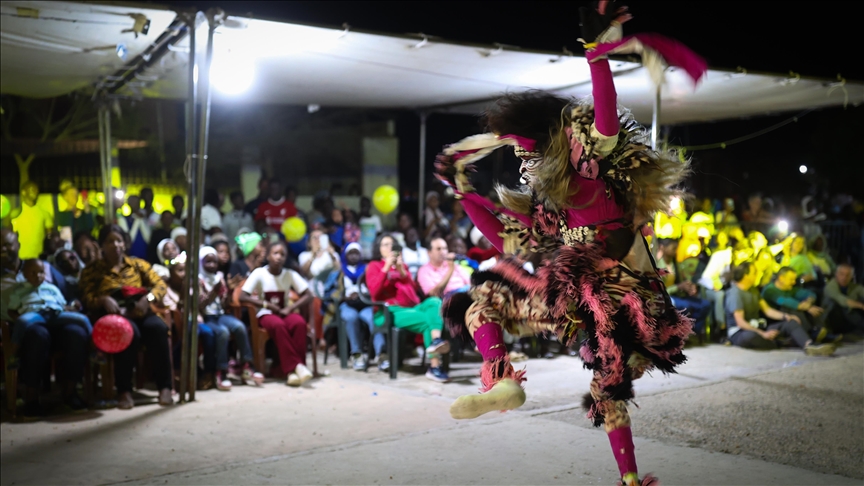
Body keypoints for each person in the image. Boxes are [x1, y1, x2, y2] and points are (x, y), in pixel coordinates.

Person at [434, 5, 707, 483]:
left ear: (546, 143)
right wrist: (464, 192)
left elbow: (603, 121)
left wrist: (597, 57)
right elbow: (503, 238)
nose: (520, 162)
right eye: (516, 154)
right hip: (573, 293)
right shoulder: (551, 208)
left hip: (627, 298)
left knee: (611, 384)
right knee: (481, 299)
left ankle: (628, 479)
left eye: (524, 150)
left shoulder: (586, 182)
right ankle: (502, 382)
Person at [79, 224, 173, 409]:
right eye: (110, 241)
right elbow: (86, 297)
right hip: (114, 317)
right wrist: (103, 300)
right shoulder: (92, 270)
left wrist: (148, 298)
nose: (115, 245)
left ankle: (165, 387)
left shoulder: (138, 265)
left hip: (140, 310)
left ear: (125, 244)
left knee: (158, 328)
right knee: (129, 334)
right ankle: (124, 391)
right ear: (102, 246)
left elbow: (159, 286)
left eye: (119, 240)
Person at [7, 259, 91, 416]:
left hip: (56, 315)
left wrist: (72, 308)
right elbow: (12, 310)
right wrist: (19, 318)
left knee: (79, 326)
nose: (38, 276)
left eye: (41, 272)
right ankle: (30, 394)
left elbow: (63, 304)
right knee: (32, 331)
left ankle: (71, 392)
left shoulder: (51, 288)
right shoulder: (19, 290)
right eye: (33, 273)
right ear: (24, 274)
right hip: (35, 318)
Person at [365, 234, 450, 381]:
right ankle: (435, 366)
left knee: (435, 302)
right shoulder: (374, 266)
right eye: (385, 245)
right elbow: (374, 293)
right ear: (378, 249)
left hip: (410, 308)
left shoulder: (402, 266)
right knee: (427, 321)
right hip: (387, 312)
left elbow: (413, 297)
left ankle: (436, 341)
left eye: (392, 244)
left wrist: (401, 271)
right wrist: (385, 268)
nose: (389, 247)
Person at [239, 241, 314, 386]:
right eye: (275, 253)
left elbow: (308, 294)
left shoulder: (289, 274)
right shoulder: (259, 273)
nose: (279, 257)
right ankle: (296, 367)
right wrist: (266, 304)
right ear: (268, 256)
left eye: (282, 254)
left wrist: (291, 308)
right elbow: (243, 296)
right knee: (278, 325)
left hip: (284, 311)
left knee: (299, 323)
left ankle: (289, 371)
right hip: (265, 313)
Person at [726, 262, 835, 356]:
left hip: (757, 328)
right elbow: (740, 323)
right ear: (746, 275)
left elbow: (768, 310)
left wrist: (786, 316)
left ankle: (809, 345)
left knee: (791, 322)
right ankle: (781, 343)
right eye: (754, 272)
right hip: (740, 332)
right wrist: (762, 334)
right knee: (750, 336)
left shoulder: (753, 290)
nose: (757, 275)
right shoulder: (735, 293)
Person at [199, 247, 264, 389]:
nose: (212, 265)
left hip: (220, 314)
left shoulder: (219, 278)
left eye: (214, 262)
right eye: (207, 261)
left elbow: (224, 303)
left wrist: (228, 290)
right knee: (223, 332)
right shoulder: (197, 280)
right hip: (206, 318)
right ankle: (221, 371)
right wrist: (213, 293)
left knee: (239, 326)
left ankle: (247, 365)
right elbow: (199, 306)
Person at [161, 252, 218, 390]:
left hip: (196, 321)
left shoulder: (193, 285)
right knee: (190, 333)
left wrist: (212, 293)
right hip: (176, 324)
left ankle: (208, 373)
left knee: (208, 333)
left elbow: (200, 306)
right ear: (171, 272)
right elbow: (175, 310)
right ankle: (179, 369)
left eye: (185, 270)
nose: (183, 274)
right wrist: (182, 293)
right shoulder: (165, 288)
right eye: (180, 270)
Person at [762, 266, 840, 342]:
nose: (794, 282)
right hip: (774, 321)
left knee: (813, 309)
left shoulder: (790, 289)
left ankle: (822, 332)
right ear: (781, 278)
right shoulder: (770, 290)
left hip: (787, 317)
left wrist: (809, 302)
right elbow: (785, 302)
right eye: (791, 279)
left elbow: (810, 294)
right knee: (791, 308)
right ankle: (810, 333)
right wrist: (805, 307)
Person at [655, 239, 711, 336]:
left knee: (705, 305)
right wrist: (678, 287)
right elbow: (660, 290)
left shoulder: (676, 264)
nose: (676, 250)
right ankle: (681, 333)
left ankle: (692, 331)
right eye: (673, 248)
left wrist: (689, 287)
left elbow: (681, 281)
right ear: (663, 248)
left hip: (678, 294)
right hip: (665, 296)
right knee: (685, 306)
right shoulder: (658, 265)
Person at [338, 242, 377, 371]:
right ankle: (357, 354)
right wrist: (346, 297)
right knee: (351, 318)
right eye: (351, 253)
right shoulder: (340, 271)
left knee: (373, 318)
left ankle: (381, 353)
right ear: (346, 255)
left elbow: (373, 287)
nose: (354, 256)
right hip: (347, 304)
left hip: (364, 302)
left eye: (356, 253)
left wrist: (363, 294)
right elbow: (334, 292)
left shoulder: (367, 269)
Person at [11, 181, 53, 260]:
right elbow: (12, 236)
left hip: (40, 257)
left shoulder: (44, 213)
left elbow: (49, 235)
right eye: (31, 189)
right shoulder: (15, 213)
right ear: (23, 192)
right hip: (21, 257)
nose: (35, 192)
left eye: (36, 190)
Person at [822, 263, 864, 334]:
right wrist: (862, 306)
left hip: (847, 318)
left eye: (847, 275)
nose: (844, 277)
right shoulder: (830, 287)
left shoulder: (853, 287)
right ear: (836, 274)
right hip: (830, 319)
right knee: (838, 305)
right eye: (841, 274)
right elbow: (843, 301)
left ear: (851, 277)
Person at [117, 194, 151, 260]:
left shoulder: (144, 219)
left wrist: (140, 220)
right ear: (128, 204)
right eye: (132, 202)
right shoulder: (123, 219)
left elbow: (148, 239)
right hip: (131, 256)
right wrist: (137, 220)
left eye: (137, 202)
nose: (135, 204)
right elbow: (129, 239)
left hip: (145, 256)